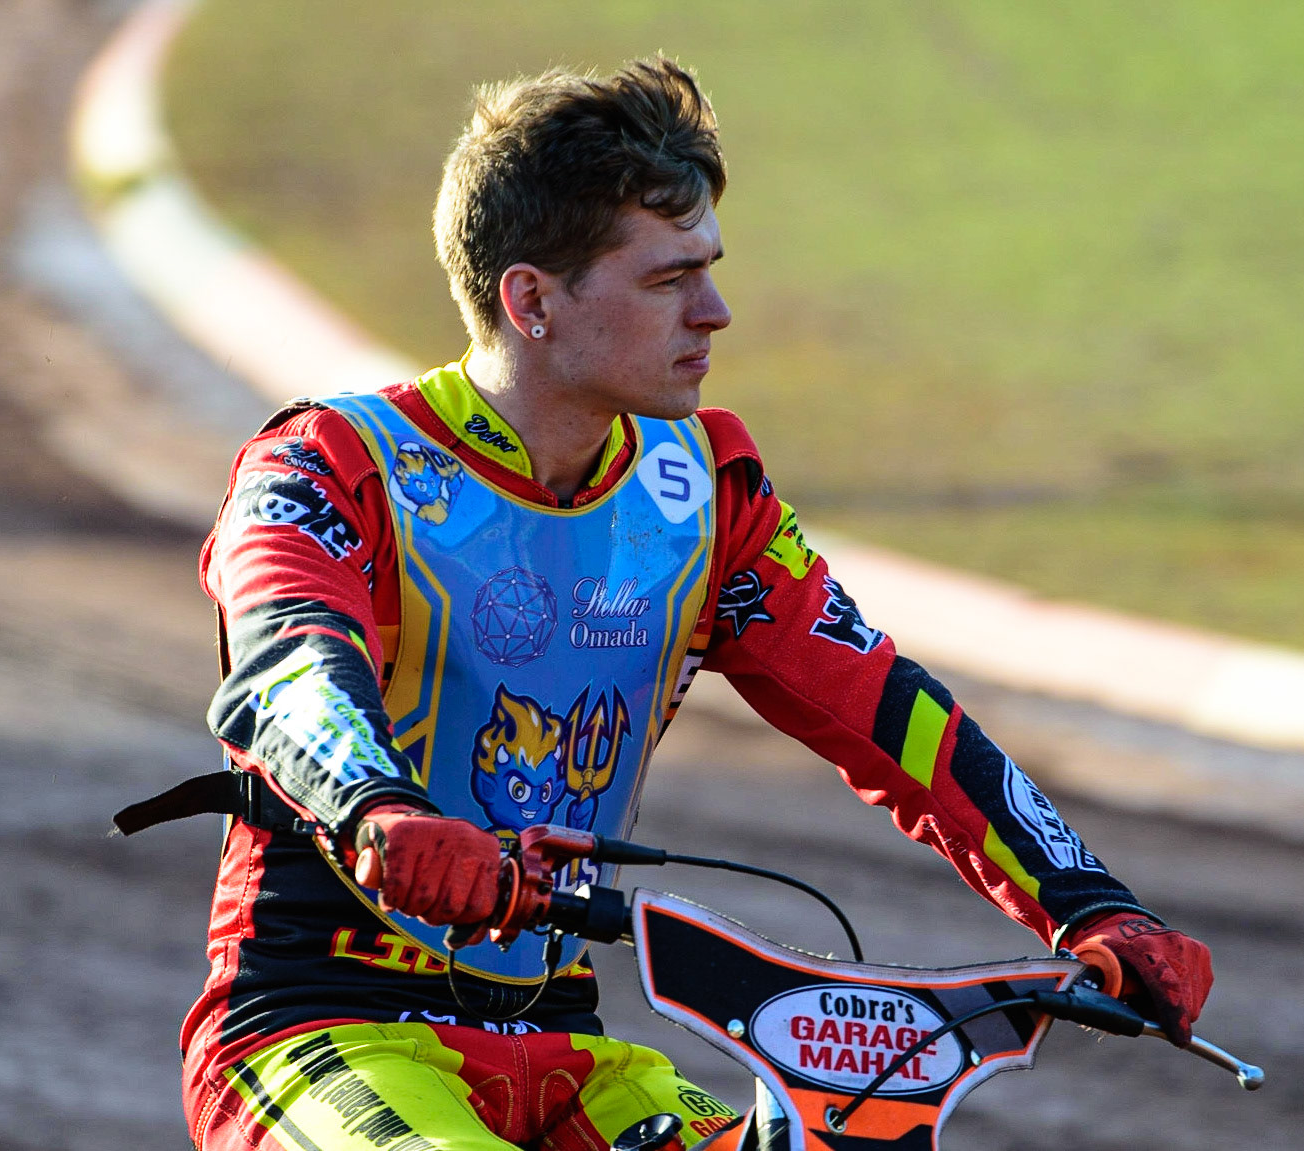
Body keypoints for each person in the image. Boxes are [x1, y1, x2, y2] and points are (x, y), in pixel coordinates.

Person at [120, 56, 1213, 1151]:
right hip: (316, 1030)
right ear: (531, 301)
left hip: (568, 1044)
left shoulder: (703, 494)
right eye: (666, 280)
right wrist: (377, 809)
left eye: (710, 269)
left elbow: (890, 714)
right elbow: (287, 667)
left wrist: (1088, 900)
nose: (716, 311)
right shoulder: (330, 463)